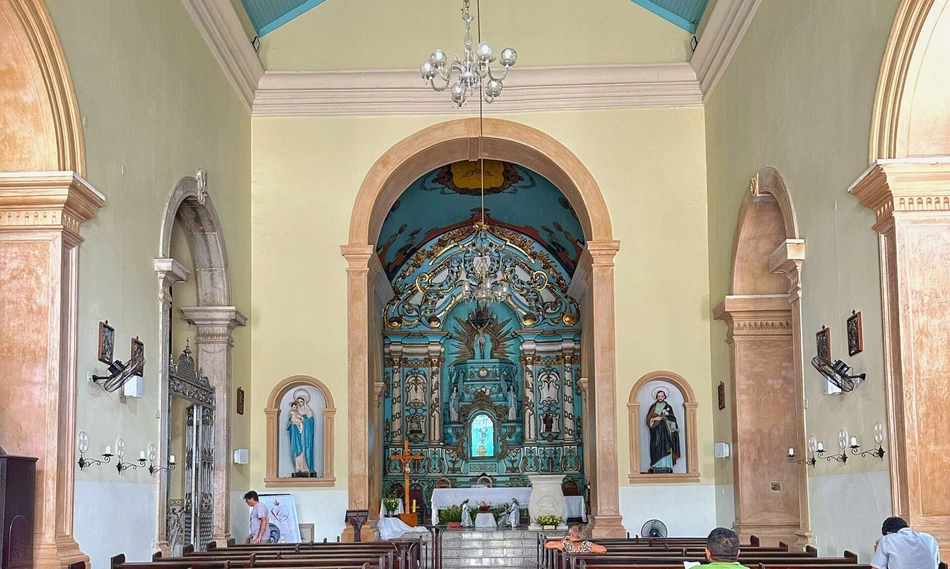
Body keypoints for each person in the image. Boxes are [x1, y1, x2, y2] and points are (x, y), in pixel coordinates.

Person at [871, 516, 940, 569]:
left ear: (889, 533)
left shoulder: (888, 539)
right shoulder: (930, 539)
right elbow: (937, 563)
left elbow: (877, 568)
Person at [646, 389, 680, 473]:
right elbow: (648, 419)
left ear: (664, 397)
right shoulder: (653, 407)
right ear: (656, 397)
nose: (660, 397)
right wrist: (654, 418)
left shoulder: (668, 407)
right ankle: (656, 465)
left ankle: (666, 465)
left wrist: (673, 428)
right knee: (656, 446)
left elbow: (672, 419)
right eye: (659, 396)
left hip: (666, 430)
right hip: (656, 431)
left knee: (666, 446)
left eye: (662, 396)